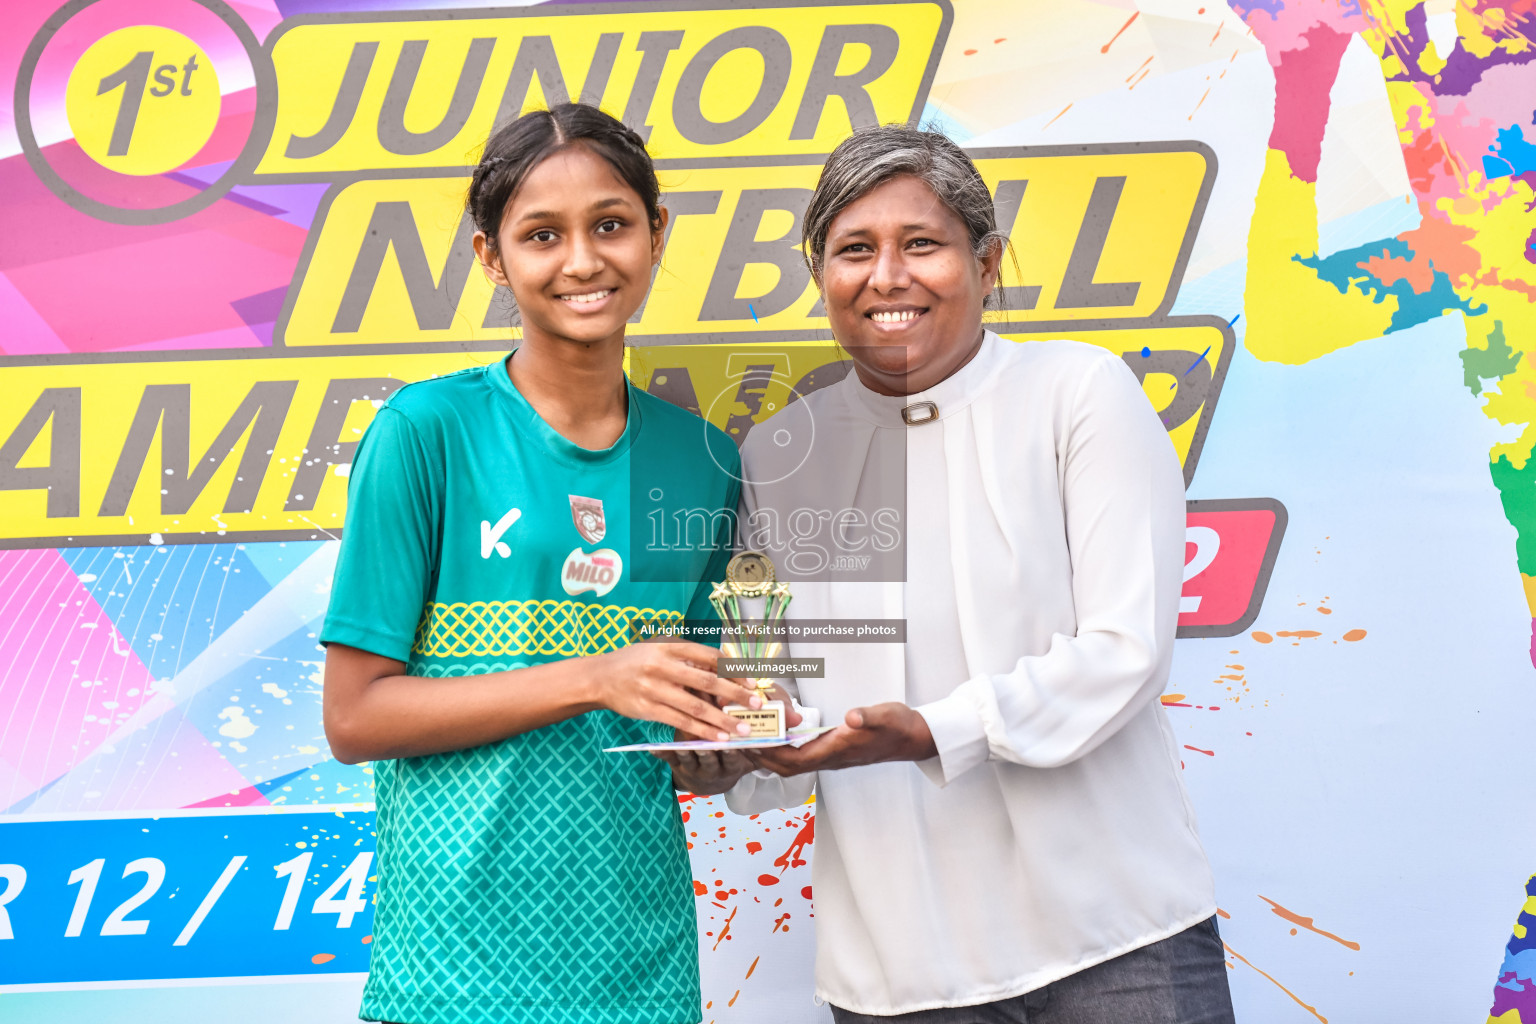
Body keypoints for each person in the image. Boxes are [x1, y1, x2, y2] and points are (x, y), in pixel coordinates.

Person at [696, 125, 1238, 1023]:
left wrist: (930, 730)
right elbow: (772, 678)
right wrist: (738, 751)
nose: (887, 276)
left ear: (986, 265)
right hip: (901, 968)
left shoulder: (1078, 392)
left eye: (922, 244)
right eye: (853, 250)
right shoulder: (778, 454)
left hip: (1118, 936)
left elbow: (1125, 648)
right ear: (819, 275)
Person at [319, 103, 767, 1024]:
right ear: (492, 257)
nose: (583, 261)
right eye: (541, 235)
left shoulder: (706, 461)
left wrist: (723, 748)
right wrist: (596, 678)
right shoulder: (425, 433)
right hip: (449, 971)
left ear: (656, 233)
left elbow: (691, 724)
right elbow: (356, 716)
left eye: (611, 224)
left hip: (638, 969)